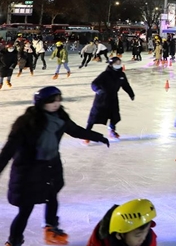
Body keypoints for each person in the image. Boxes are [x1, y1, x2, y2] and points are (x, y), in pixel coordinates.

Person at [0, 86, 109, 246]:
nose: (56, 103)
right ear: (41, 103)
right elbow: (10, 148)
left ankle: (51, 227)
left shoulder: (60, 117)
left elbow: (75, 130)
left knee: (52, 196)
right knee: (25, 210)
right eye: (51, 100)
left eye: (58, 99)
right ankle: (14, 241)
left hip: (50, 168)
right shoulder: (26, 122)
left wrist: (97, 137)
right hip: (29, 172)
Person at [86, 57, 135, 141]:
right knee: (95, 116)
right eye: (116, 63)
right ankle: (86, 133)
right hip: (102, 98)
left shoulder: (121, 75)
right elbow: (94, 83)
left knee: (114, 115)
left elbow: (125, 85)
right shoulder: (105, 74)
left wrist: (131, 94)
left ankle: (112, 130)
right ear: (111, 64)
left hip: (113, 97)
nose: (118, 65)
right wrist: (97, 90)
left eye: (119, 63)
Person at [86, 198, 158, 246]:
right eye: (138, 235)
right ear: (119, 235)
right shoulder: (98, 242)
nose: (143, 238)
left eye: (147, 231)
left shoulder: (149, 238)